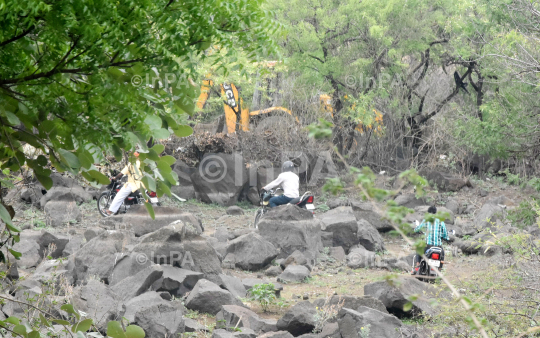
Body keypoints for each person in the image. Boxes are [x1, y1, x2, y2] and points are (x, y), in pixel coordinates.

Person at [411, 205, 450, 275]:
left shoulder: (426, 220)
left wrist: (416, 230)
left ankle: (417, 266)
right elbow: (445, 235)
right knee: (442, 254)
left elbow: (418, 229)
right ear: (435, 213)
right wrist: (446, 238)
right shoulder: (441, 222)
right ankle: (440, 269)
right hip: (438, 246)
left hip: (428, 246)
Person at [105, 151, 143, 216]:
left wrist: (115, 178)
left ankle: (110, 211)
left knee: (119, 196)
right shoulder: (142, 163)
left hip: (133, 184)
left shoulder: (131, 164)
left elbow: (121, 174)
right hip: (143, 184)